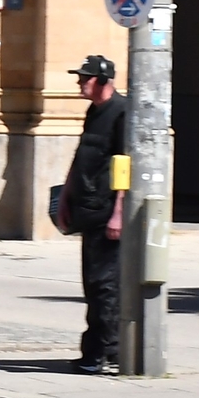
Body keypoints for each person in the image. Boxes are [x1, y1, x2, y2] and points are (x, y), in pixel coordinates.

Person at [57, 54, 127, 374]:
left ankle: (103, 353)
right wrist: (65, 197)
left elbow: (125, 166)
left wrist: (118, 213)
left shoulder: (121, 113)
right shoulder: (94, 111)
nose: (79, 83)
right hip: (87, 208)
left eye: (84, 78)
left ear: (102, 81)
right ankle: (101, 349)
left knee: (104, 285)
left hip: (106, 211)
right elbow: (81, 156)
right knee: (93, 283)